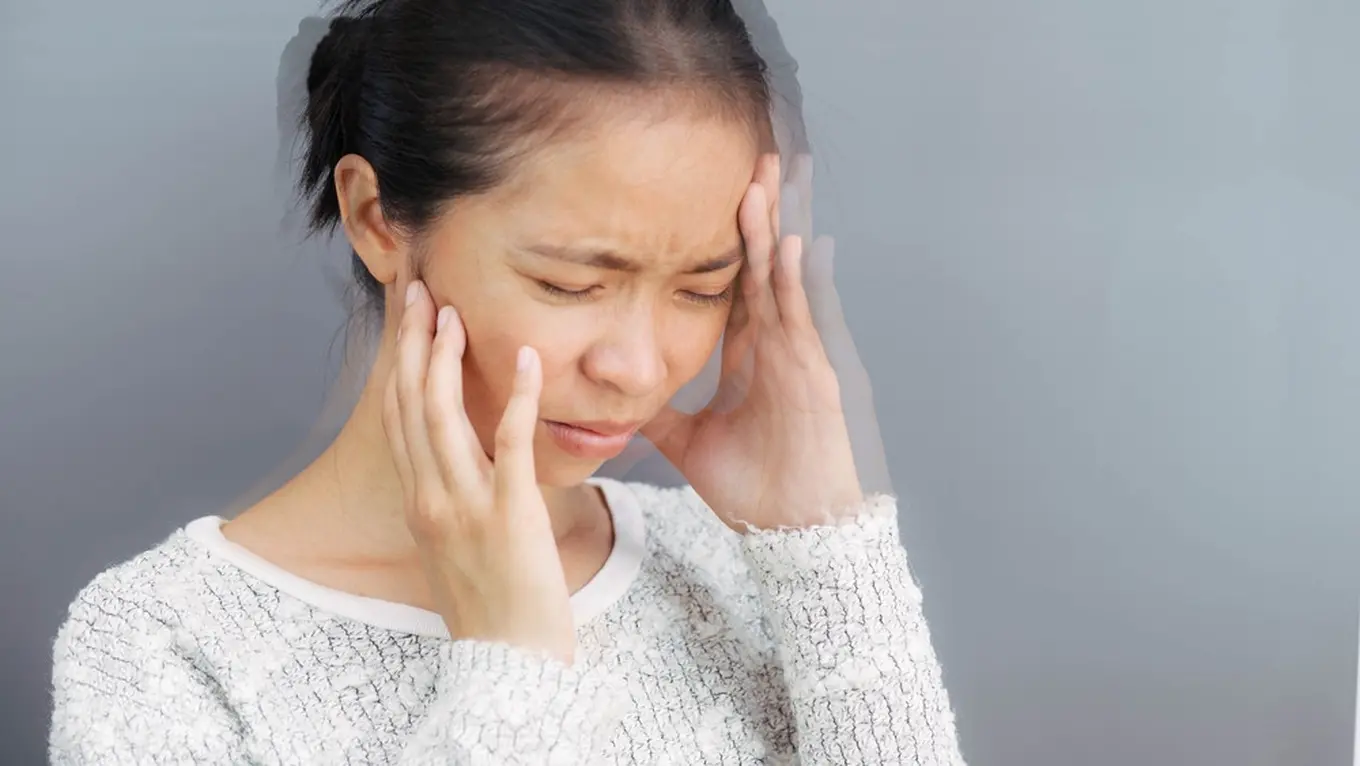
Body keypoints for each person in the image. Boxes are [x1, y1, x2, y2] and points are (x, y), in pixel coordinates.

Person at [47, 0, 966, 763]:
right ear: (375, 218)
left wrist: (825, 556)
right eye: (571, 283)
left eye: (703, 288)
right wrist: (511, 672)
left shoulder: (747, 573)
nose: (640, 369)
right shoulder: (162, 649)